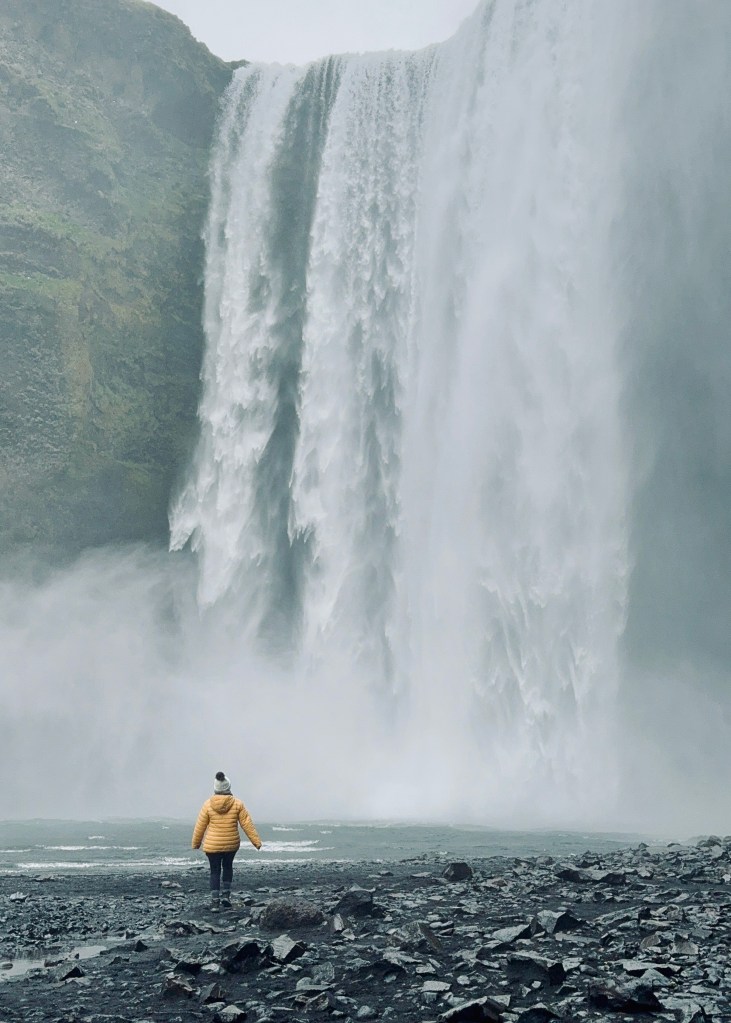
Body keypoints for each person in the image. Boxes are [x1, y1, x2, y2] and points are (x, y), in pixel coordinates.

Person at [192, 770, 262, 911]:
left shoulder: (207, 804)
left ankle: (215, 902)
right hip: (231, 844)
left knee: (214, 871)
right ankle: (226, 896)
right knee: (228, 867)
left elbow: (200, 825)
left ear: (215, 788)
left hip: (212, 845)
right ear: (228, 787)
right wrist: (256, 842)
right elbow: (247, 824)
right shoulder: (237, 804)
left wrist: (196, 843)